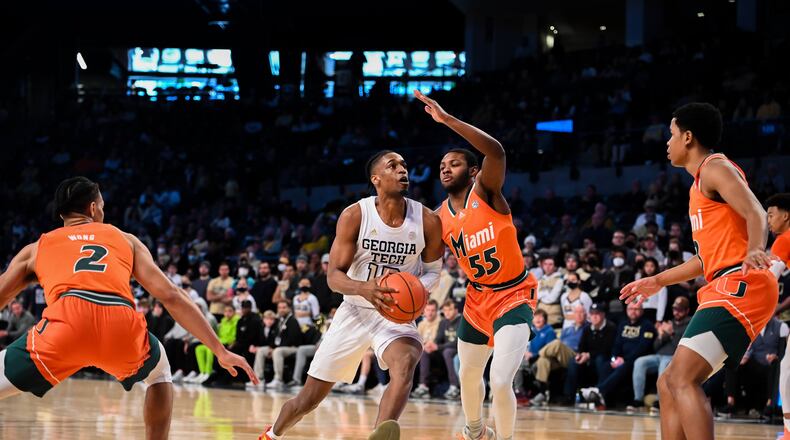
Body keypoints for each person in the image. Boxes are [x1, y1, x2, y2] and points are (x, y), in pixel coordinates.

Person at [0, 177, 255, 440]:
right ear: (92, 209)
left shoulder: (38, 247)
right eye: (102, 206)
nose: (103, 211)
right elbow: (171, 296)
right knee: (159, 374)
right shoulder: (126, 239)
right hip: (119, 323)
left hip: (66, 323)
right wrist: (220, 351)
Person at [621, 103, 779, 440]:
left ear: (688, 137)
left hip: (742, 282)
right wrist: (658, 280)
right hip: (724, 282)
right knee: (667, 382)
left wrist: (755, 248)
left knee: (681, 378)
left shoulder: (715, 167)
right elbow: (705, 261)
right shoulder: (698, 187)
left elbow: (756, 211)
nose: (667, 142)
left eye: (672, 134)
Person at [260, 150, 444, 440]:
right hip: (355, 310)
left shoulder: (428, 220)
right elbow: (333, 276)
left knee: (407, 360)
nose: (402, 170)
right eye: (392, 166)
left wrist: (416, 289)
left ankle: (381, 434)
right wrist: (365, 289)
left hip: (394, 314)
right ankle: (271, 434)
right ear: (376, 179)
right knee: (308, 400)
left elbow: (434, 271)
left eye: (404, 166)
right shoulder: (355, 215)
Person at [416, 90, 538, 440]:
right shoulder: (438, 219)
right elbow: (425, 260)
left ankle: (507, 438)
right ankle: (474, 432)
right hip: (477, 299)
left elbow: (496, 151)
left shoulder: (485, 191)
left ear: (472, 171)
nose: (445, 168)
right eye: (441, 166)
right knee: (468, 373)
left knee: (500, 378)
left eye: (453, 163)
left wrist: (447, 119)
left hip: (513, 294)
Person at [628, 296, 690, 413]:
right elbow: (655, 346)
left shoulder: (690, 324)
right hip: (659, 356)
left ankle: (660, 401)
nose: (676, 312)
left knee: (664, 365)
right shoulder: (668, 323)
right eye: (675, 309)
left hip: (674, 357)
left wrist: (670, 333)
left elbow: (682, 345)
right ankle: (638, 399)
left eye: (680, 310)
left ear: (687, 311)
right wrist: (662, 335)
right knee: (640, 362)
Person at [765, 193, 790, 439]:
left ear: (786, 215)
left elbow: (769, 278)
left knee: (788, 370)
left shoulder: (784, 239)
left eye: (771, 215)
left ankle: (789, 431)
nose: (768, 220)